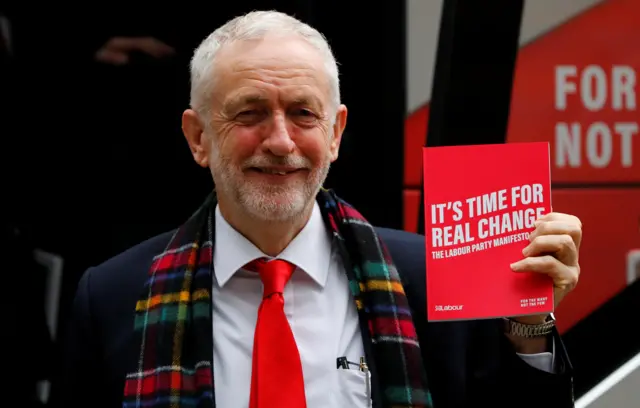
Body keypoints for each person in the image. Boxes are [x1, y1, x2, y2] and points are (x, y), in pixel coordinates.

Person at [58, 10, 583, 408]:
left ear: (335, 135)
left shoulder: (434, 279)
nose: (281, 141)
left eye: (304, 114)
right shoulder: (109, 298)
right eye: (251, 112)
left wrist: (530, 324)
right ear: (198, 138)